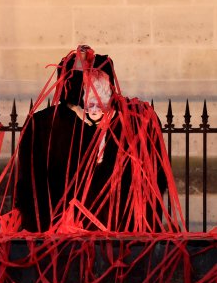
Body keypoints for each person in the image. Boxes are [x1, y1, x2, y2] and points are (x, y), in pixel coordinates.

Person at [13, 45, 182, 232]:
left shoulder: (136, 121)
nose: (94, 111)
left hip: (111, 234)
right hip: (74, 235)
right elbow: (30, 184)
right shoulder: (43, 126)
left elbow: (153, 180)